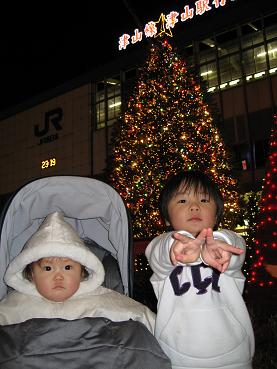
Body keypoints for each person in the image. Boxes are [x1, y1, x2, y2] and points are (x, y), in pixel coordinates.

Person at [145, 170, 255, 369]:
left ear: (216, 214)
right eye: (182, 201)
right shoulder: (163, 246)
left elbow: (237, 247)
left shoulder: (226, 244)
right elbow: (157, 254)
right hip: (176, 358)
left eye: (204, 200)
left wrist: (217, 244)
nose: (195, 206)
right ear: (167, 218)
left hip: (234, 355)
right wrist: (176, 248)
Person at [0, 211, 155, 332]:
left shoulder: (101, 298)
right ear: (32, 275)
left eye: (68, 267)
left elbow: (142, 316)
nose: (58, 276)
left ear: (82, 273)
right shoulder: (15, 304)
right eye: (48, 268)